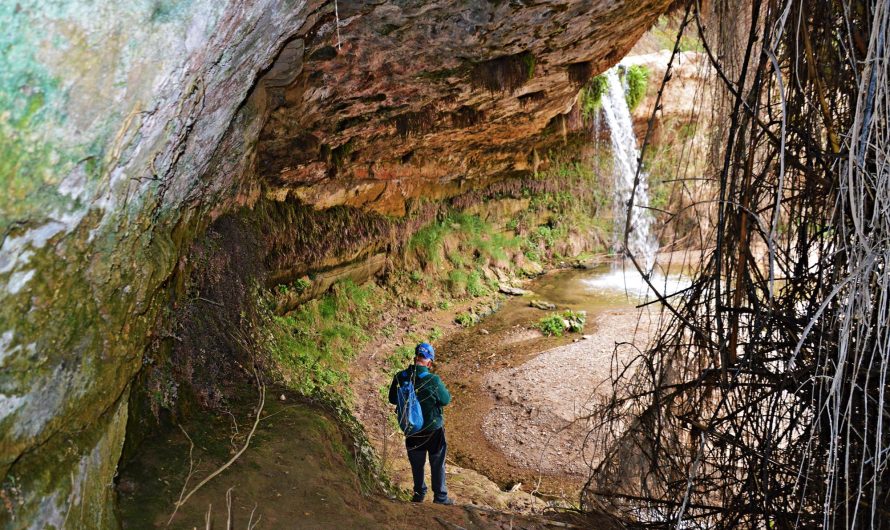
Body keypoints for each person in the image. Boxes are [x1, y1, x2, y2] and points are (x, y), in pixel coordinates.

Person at [388, 342, 454, 505]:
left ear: (415, 357)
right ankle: (440, 497)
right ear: (429, 362)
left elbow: (392, 399)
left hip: (411, 429)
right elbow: (446, 400)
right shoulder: (433, 379)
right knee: (437, 462)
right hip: (433, 429)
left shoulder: (400, 376)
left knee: (417, 464)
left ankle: (418, 494)